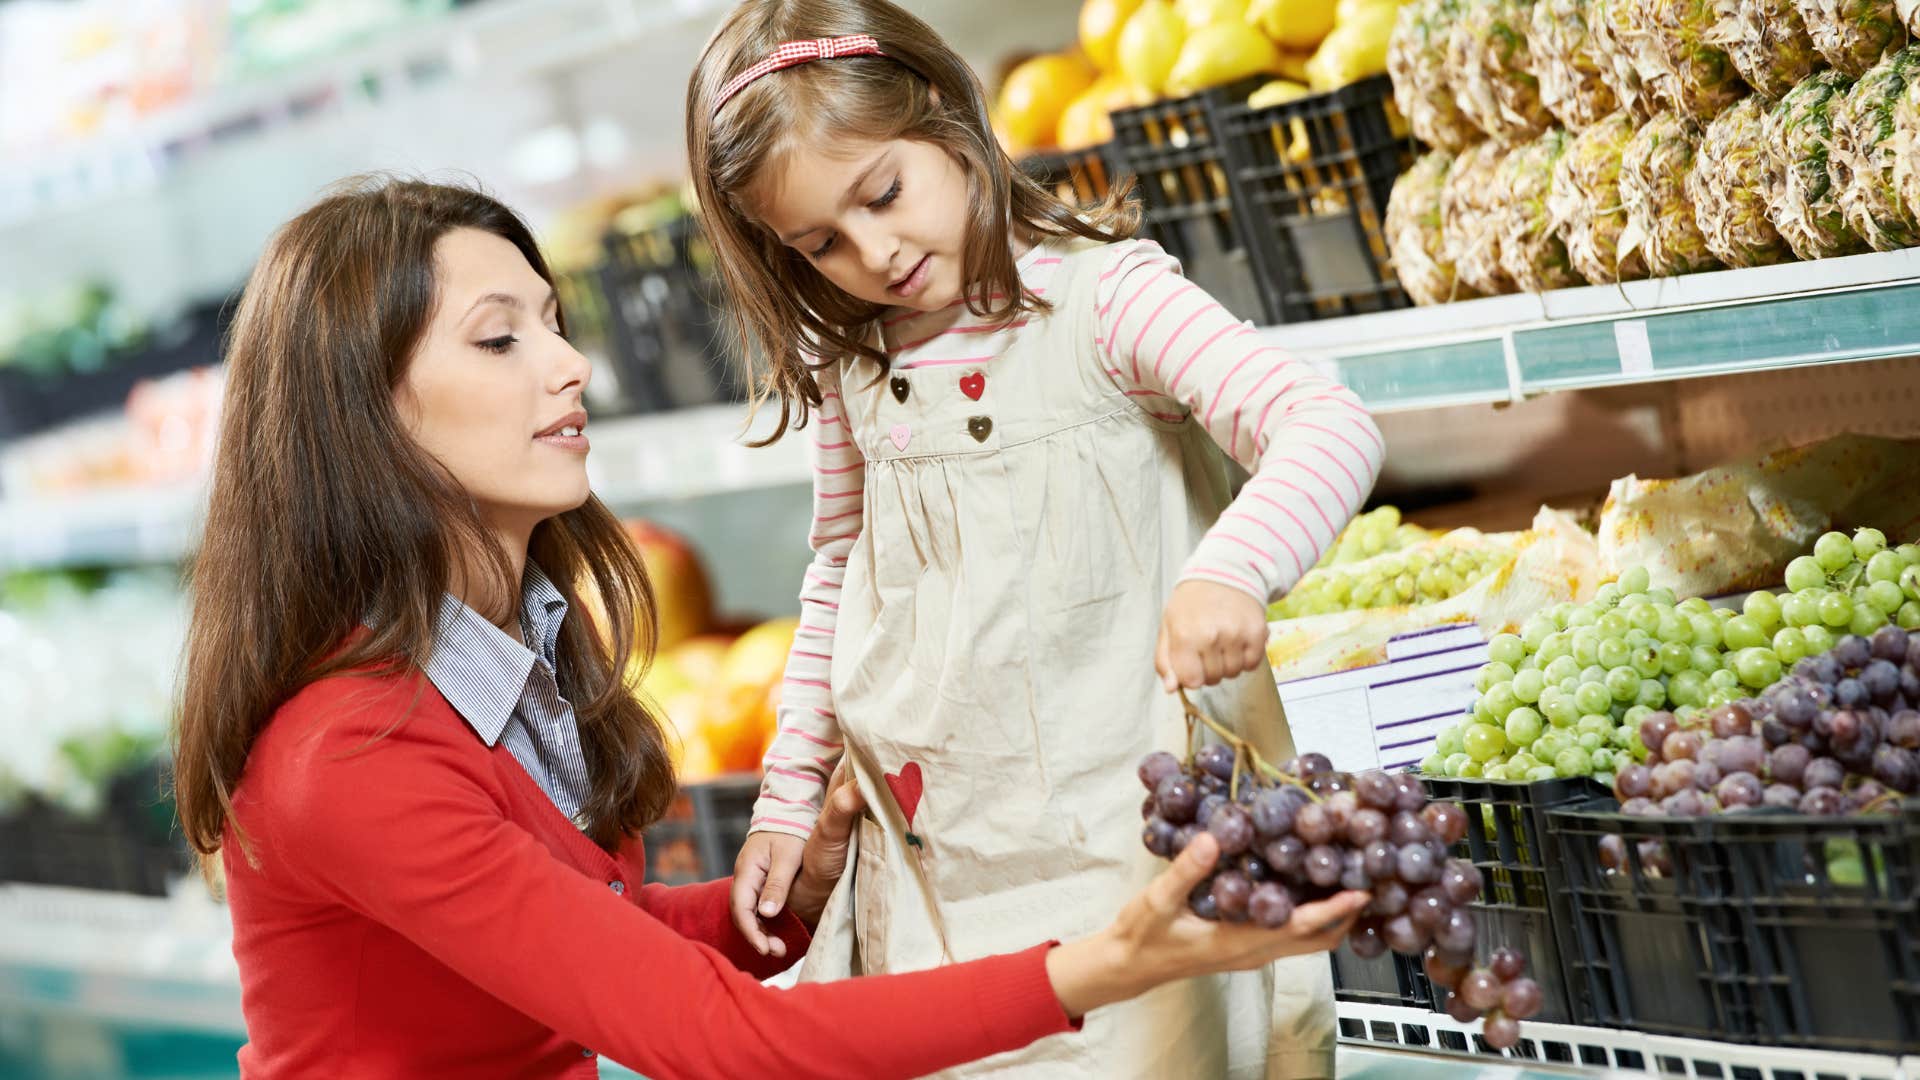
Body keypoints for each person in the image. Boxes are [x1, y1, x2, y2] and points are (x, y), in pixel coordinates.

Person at [168, 176, 1370, 1079]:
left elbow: (578, 940)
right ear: (358, 418)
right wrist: (1105, 970)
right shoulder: (350, 756)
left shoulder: (501, 656)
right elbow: (715, 1038)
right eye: (500, 339)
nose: (571, 365)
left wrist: (791, 900)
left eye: (553, 320)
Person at [688, 2, 1386, 1075]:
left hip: (1127, 851)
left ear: (951, 116)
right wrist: (789, 791)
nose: (874, 253)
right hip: (940, 860)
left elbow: (1325, 422)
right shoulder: (853, 368)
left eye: (884, 193)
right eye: (820, 241)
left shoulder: (1107, 301)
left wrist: (1233, 571)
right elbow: (842, 568)